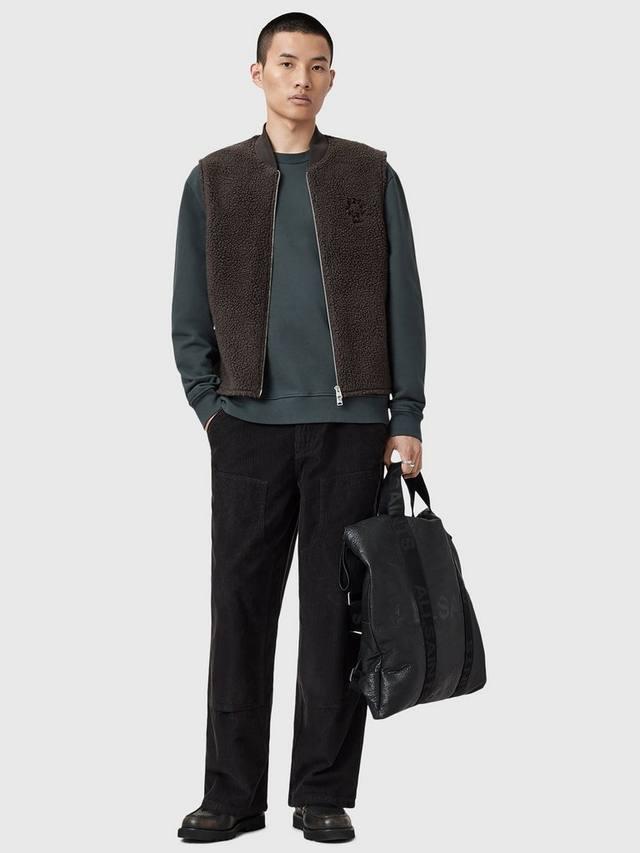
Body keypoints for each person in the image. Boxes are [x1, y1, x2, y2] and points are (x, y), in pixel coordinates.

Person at [171, 12, 426, 844]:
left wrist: (406, 414)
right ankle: (230, 794)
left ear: (331, 79)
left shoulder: (370, 174)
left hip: (351, 428)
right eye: (286, 63)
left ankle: (321, 790)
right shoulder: (213, 180)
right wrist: (212, 408)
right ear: (258, 74)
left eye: (317, 66)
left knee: (334, 618)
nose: (301, 79)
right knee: (240, 611)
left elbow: (404, 300)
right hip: (246, 427)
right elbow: (187, 314)